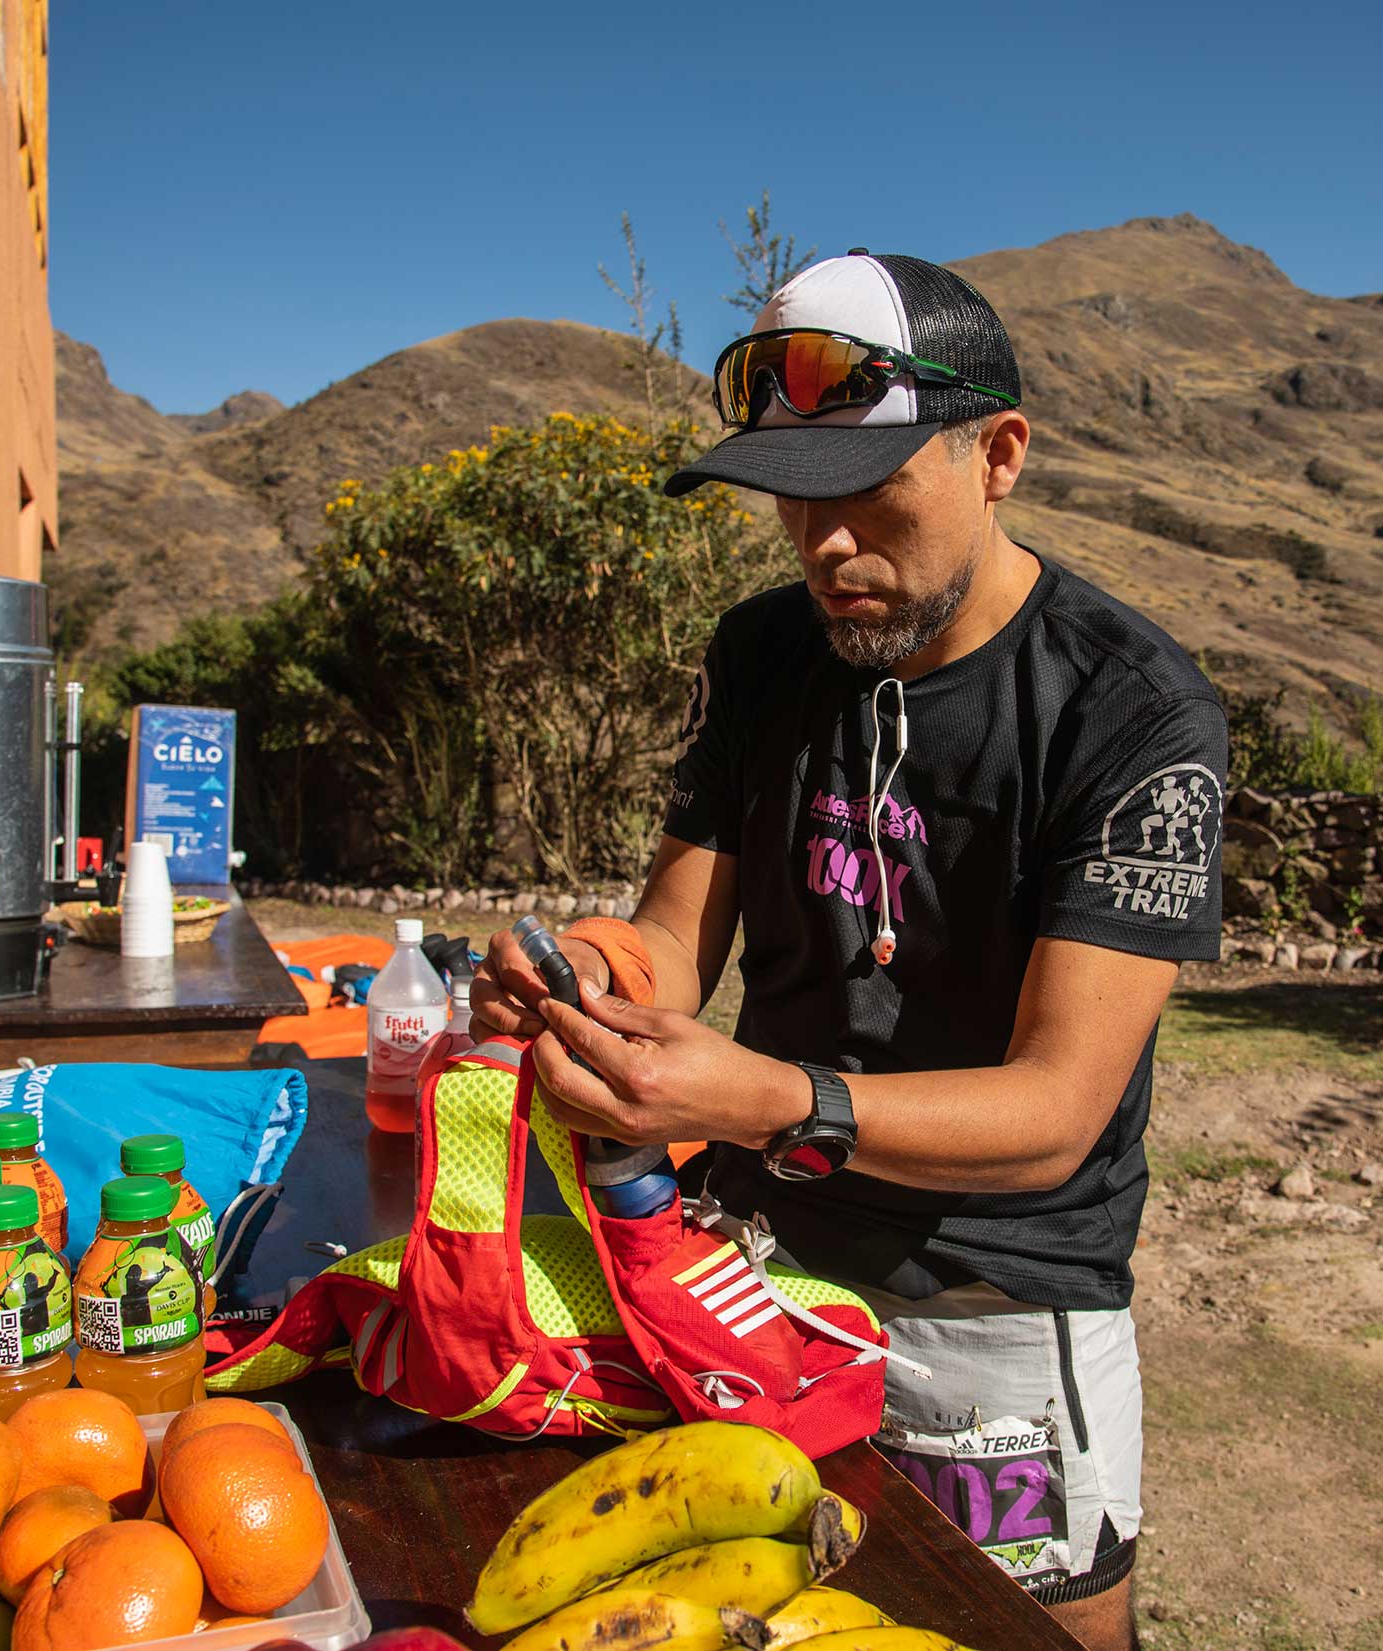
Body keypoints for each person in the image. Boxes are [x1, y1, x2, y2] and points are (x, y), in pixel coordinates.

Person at [474, 251, 1226, 1650]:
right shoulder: (768, 651)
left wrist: (755, 1096)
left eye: (869, 492)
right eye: (794, 492)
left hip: (992, 1300)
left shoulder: (1128, 712)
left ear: (999, 454)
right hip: (752, 1260)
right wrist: (586, 973)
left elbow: (1053, 1114)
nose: (824, 542)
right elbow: (671, 937)